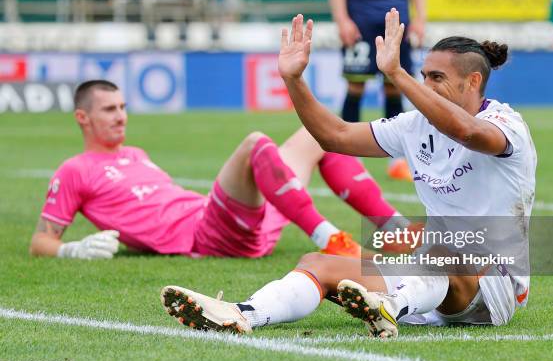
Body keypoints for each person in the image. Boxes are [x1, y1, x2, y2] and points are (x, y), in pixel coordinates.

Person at [160, 12, 536, 336]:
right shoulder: (414, 126)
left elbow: (468, 133)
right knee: (317, 264)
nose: (425, 86)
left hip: (493, 285)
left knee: (440, 249)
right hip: (430, 278)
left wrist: (396, 75)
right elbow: (334, 135)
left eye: (436, 78)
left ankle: (390, 304)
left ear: (473, 82)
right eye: (422, 76)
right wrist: (293, 80)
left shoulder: (505, 123)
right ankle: (242, 315)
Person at [30, 80, 413, 260]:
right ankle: (328, 238)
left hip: (233, 219)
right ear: (82, 117)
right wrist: (72, 250)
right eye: (109, 110)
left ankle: (394, 230)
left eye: (123, 107)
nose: (121, 116)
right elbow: (40, 242)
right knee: (255, 143)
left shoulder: (135, 153)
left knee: (320, 135)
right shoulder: (74, 170)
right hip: (208, 233)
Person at [328, 0, 426, 181]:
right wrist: (341, 19)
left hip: (396, 12)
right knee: (356, 85)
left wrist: (420, 18)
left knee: (394, 85)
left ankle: (397, 160)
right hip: (359, 15)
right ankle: (349, 158)